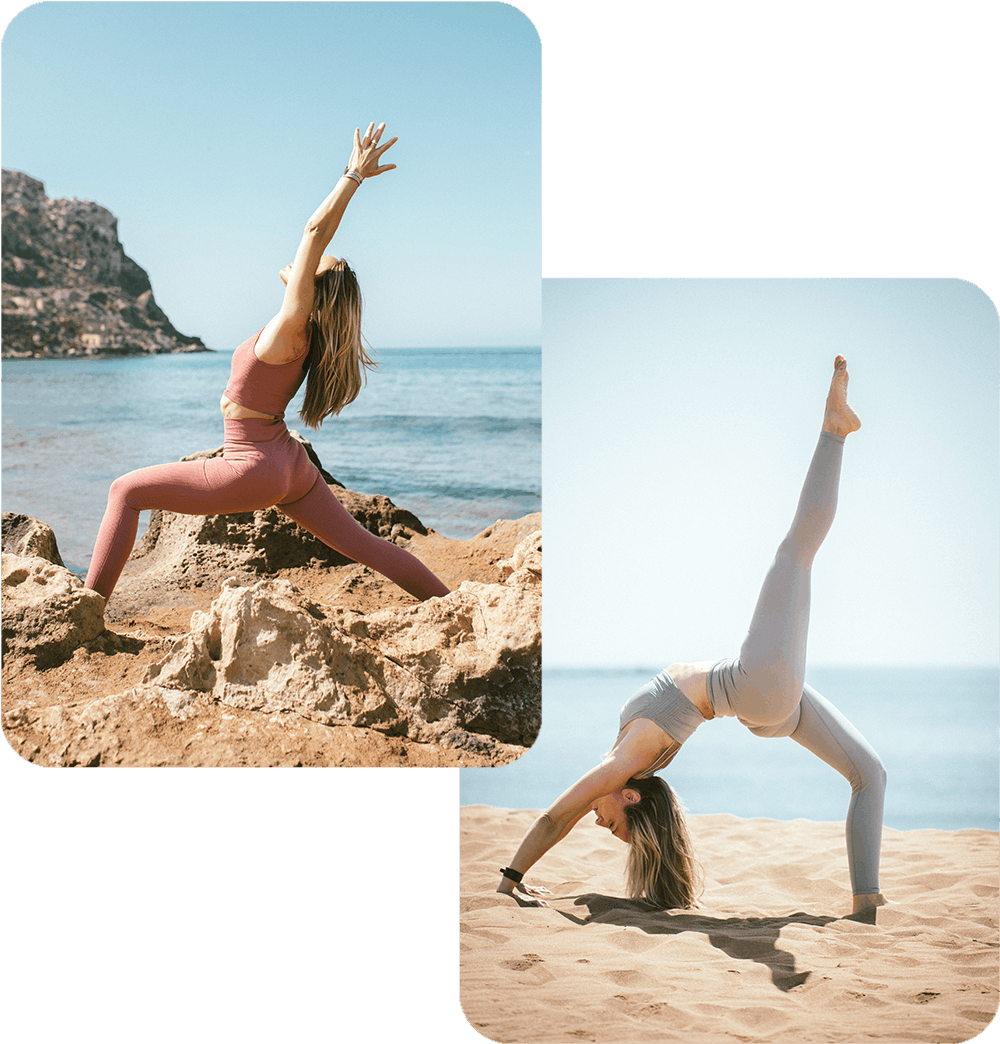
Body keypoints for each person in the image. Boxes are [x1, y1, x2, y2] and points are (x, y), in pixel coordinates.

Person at [497, 357, 888, 921]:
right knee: (795, 552)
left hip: (764, 704)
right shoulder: (621, 767)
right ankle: (833, 430)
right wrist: (510, 879)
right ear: (630, 795)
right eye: (612, 824)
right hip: (754, 690)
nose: (598, 821)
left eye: (602, 824)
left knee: (868, 773)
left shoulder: (629, 762)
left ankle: (866, 903)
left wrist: (513, 879)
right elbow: (555, 818)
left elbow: (558, 817)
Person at [85, 122, 450, 607]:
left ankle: (86, 609)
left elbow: (314, 232)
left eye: (308, 269)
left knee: (124, 491)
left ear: (311, 291)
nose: (298, 267)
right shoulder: (309, 334)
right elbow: (294, 269)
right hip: (289, 464)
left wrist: (352, 175)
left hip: (251, 465)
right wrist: (301, 276)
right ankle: (448, 602)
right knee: (368, 548)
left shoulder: (291, 329)